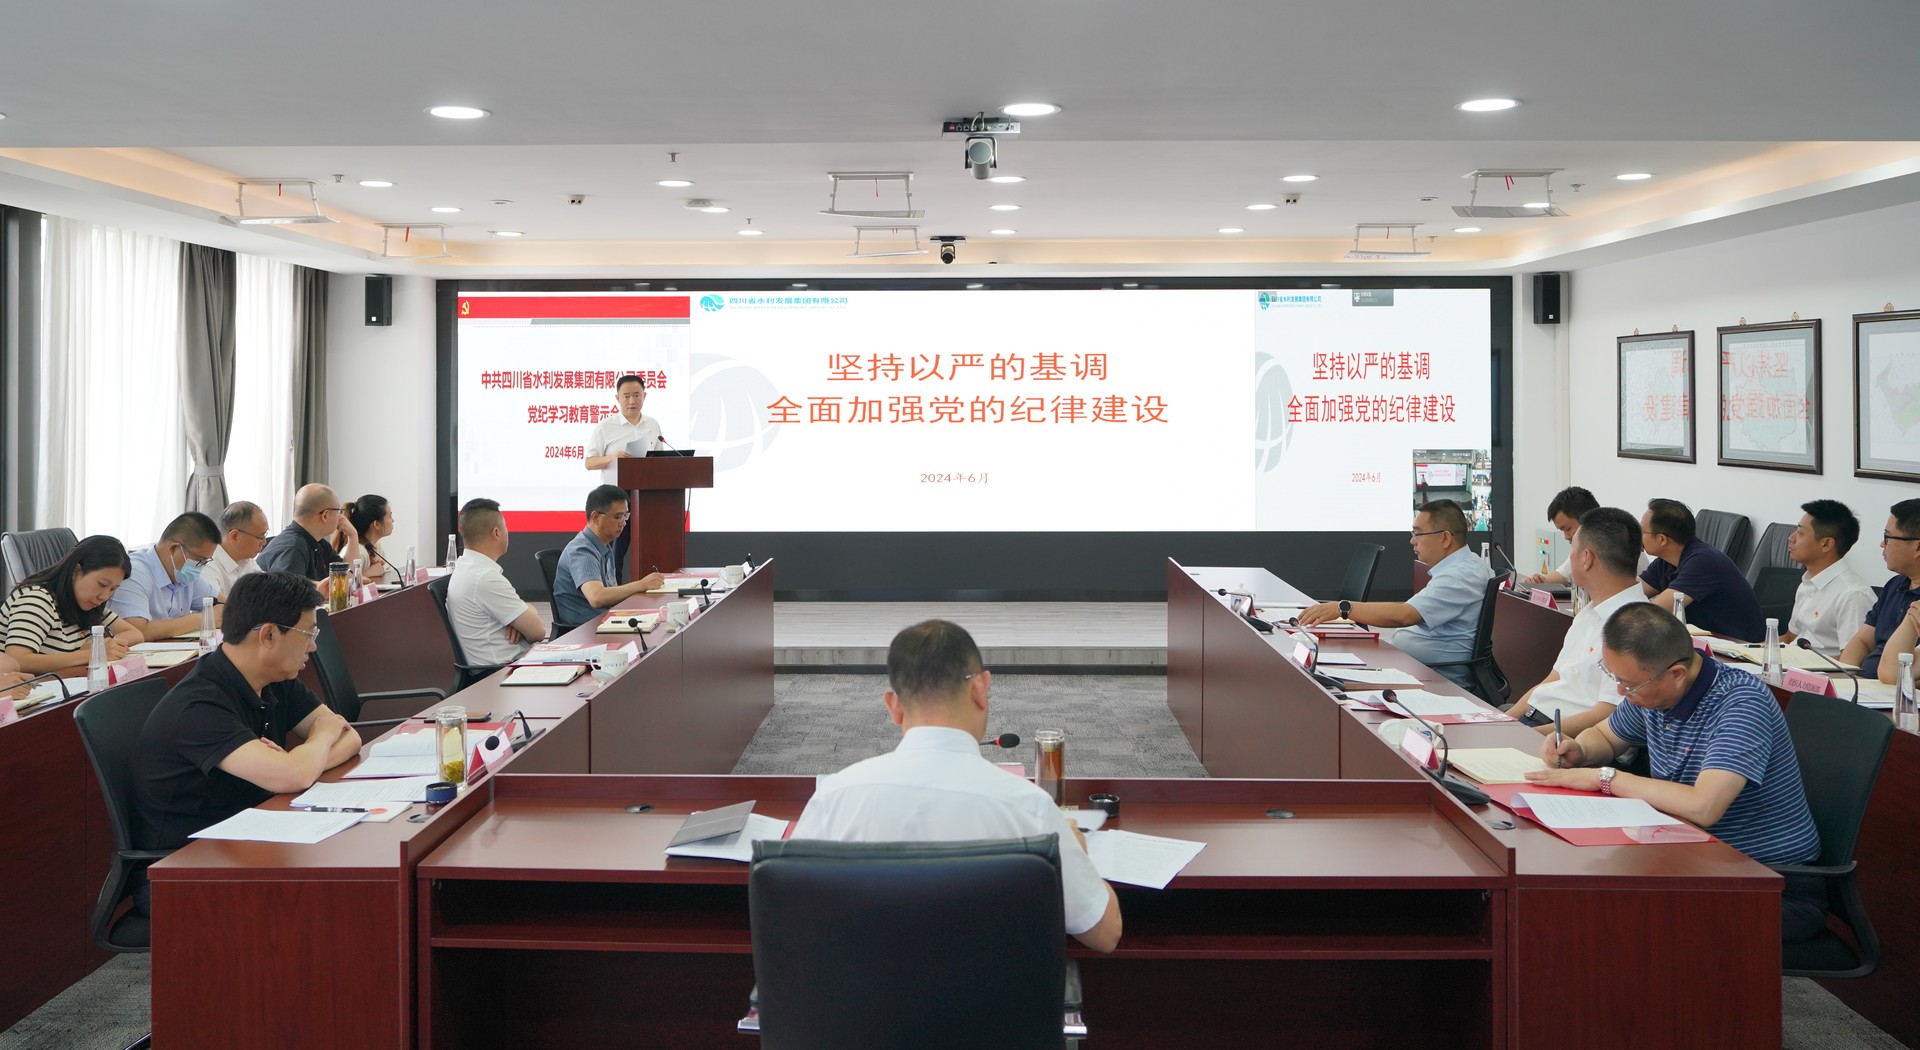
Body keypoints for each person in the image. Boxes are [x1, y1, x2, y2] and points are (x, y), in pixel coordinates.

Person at [790, 620, 1123, 953]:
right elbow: (1105, 934)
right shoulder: (1030, 809)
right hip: (991, 989)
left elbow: (790, 915)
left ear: (893, 706)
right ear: (980, 689)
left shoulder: (834, 799)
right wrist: (1076, 852)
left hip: (863, 986)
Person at [1527, 603, 1824, 943]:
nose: (1622, 693)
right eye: (1615, 679)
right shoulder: (1655, 693)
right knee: (1580, 891)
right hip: (1692, 860)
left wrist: (1604, 778)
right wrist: (1578, 750)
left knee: (1617, 918)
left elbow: (1704, 806)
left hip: (1768, 882)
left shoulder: (1741, 703)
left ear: (1677, 674)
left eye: (1628, 685)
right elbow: (1605, 736)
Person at [131, 571, 363, 863]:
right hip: (187, 864)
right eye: (308, 635)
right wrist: (320, 740)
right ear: (268, 635)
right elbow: (298, 771)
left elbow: (350, 738)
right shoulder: (199, 705)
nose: (313, 646)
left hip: (247, 838)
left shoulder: (275, 677)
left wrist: (303, 763)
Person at [1299, 499, 1491, 691]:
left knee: (1322, 681)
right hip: (1414, 666)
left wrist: (1343, 608)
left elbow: (1404, 615)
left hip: (1433, 677)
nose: (1412, 540)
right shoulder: (1468, 565)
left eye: (1418, 534)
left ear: (1445, 538)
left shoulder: (1459, 576)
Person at [1505, 507, 1651, 736]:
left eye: (1572, 549)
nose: (1570, 558)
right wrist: (1503, 722)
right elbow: (1552, 680)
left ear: (1586, 558)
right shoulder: (1589, 613)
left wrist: (1524, 736)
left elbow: (1606, 715)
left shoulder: (1635, 628)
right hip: (1536, 721)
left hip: (1564, 737)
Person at [1, 535, 144, 675]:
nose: (104, 596)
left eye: (113, 589)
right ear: (76, 570)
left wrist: (99, 645)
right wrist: (94, 652)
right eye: (102, 584)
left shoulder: (86, 602)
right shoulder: (37, 599)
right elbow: (18, 660)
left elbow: (136, 634)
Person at [1638, 498, 1765, 641]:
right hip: (1708, 643)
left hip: (1740, 647)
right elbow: (1629, 592)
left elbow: (1651, 613)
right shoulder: (1667, 560)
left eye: (1641, 531)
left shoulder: (1703, 561)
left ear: (1662, 539)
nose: (1636, 536)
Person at [583, 374, 666, 581]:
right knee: (615, 553)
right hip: (616, 499)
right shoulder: (606, 426)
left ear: (644, 396)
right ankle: (614, 592)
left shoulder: (653, 425)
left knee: (650, 551)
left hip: (648, 499)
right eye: (626, 396)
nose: (632, 401)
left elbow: (661, 461)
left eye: (636, 395)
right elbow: (589, 462)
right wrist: (614, 458)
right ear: (617, 398)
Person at [447, 498, 547, 665]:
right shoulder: (485, 578)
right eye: (505, 527)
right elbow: (538, 632)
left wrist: (518, 617)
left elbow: (530, 622)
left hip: (508, 665)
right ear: (496, 533)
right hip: (505, 670)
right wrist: (523, 617)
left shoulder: (466, 568)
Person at [551, 484, 665, 628]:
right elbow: (597, 597)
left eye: (625, 516)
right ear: (596, 517)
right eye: (618, 517)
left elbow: (612, 595)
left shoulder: (604, 547)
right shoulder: (582, 551)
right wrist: (641, 585)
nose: (623, 523)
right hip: (585, 631)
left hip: (604, 623)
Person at [110, 511, 224, 640]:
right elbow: (138, 630)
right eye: (198, 560)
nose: (200, 567)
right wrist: (202, 618)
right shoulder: (134, 573)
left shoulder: (186, 576)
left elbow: (226, 606)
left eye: (205, 562)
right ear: (173, 548)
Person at [1840, 498, 1920, 682]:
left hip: (1894, 693)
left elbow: (1899, 673)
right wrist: (1846, 679)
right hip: (1864, 688)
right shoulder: (1895, 585)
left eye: (1887, 537)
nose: (1882, 544)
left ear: (1918, 547)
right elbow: (1863, 640)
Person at [1781, 499, 1874, 652]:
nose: (1791, 538)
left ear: (1826, 544)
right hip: (1792, 662)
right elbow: (1790, 638)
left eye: (1800, 533)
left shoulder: (1853, 595)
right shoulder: (1807, 584)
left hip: (1814, 667)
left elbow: (1853, 660)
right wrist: (1744, 650)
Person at [258, 484, 359, 581]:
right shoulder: (293, 548)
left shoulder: (320, 544)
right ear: (325, 515)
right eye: (339, 511)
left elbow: (347, 577)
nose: (340, 516)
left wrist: (353, 535)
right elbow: (291, 591)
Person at [1520, 486, 1599, 586]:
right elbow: (1564, 574)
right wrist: (1540, 580)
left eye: (1568, 529)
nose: (1566, 537)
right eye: (1563, 531)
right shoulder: (1580, 550)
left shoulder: (1609, 552)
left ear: (1587, 520)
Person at [203, 501, 269, 598]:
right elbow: (216, 607)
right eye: (260, 537)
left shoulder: (247, 560)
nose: (264, 542)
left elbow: (268, 593)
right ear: (235, 536)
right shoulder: (207, 567)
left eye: (265, 535)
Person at [341, 494, 400, 584]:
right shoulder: (360, 551)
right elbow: (344, 583)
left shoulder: (375, 545)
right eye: (390, 516)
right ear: (376, 524)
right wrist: (369, 573)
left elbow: (386, 570)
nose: (393, 520)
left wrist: (380, 567)